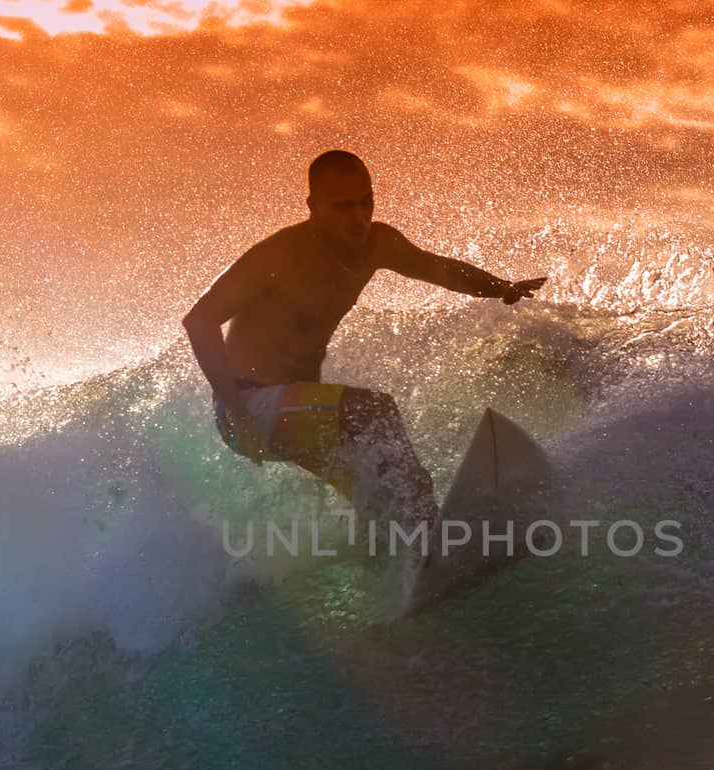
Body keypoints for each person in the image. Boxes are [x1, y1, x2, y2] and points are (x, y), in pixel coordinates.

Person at [174, 150, 545, 536]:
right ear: (314, 206)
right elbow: (198, 321)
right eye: (343, 207)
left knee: (378, 503)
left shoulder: (377, 244)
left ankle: (403, 565)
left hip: (299, 406)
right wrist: (238, 412)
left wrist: (501, 288)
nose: (358, 218)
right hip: (250, 407)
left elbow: (442, 270)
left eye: (366, 201)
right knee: (375, 410)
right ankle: (431, 535)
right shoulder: (280, 255)